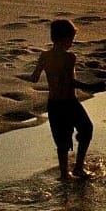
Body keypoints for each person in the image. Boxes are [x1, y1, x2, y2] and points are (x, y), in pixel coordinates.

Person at [27, 18, 94, 179]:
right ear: (65, 39)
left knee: (62, 141)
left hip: (54, 105)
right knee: (86, 129)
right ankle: (78, 167)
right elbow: (69, 81)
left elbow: (34, 78)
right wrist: (90, 87)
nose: (72, 43)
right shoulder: (70, 57)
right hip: (70, 102)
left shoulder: (44, 56)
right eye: (71, 39)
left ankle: (65, 174)